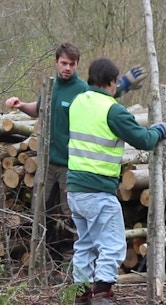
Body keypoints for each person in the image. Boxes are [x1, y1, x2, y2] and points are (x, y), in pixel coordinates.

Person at [4, 43, 147, 267]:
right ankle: (44, 262)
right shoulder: (49, 87)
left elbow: (103, 97)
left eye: (72, 64)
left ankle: (70, 264)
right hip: (45, 162)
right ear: (56, 62)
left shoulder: (82, 89)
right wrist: (21, 105)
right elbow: (40, 108)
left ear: (77, 65)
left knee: (70, 217)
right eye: (63, 63)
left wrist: (124, 85)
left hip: (71, 165)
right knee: (41, 212)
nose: (67, 68)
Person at [67, 57, 166, 305]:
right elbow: (144, 139)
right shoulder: (114, 111)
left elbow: (99, 97)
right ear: (112, 81)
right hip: (98, 191)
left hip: (75, 191)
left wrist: (123, 85)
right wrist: (160, 130)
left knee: (85, 244)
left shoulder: (79, 101)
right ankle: (102, 293)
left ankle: (80, 294)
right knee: (112, 243)